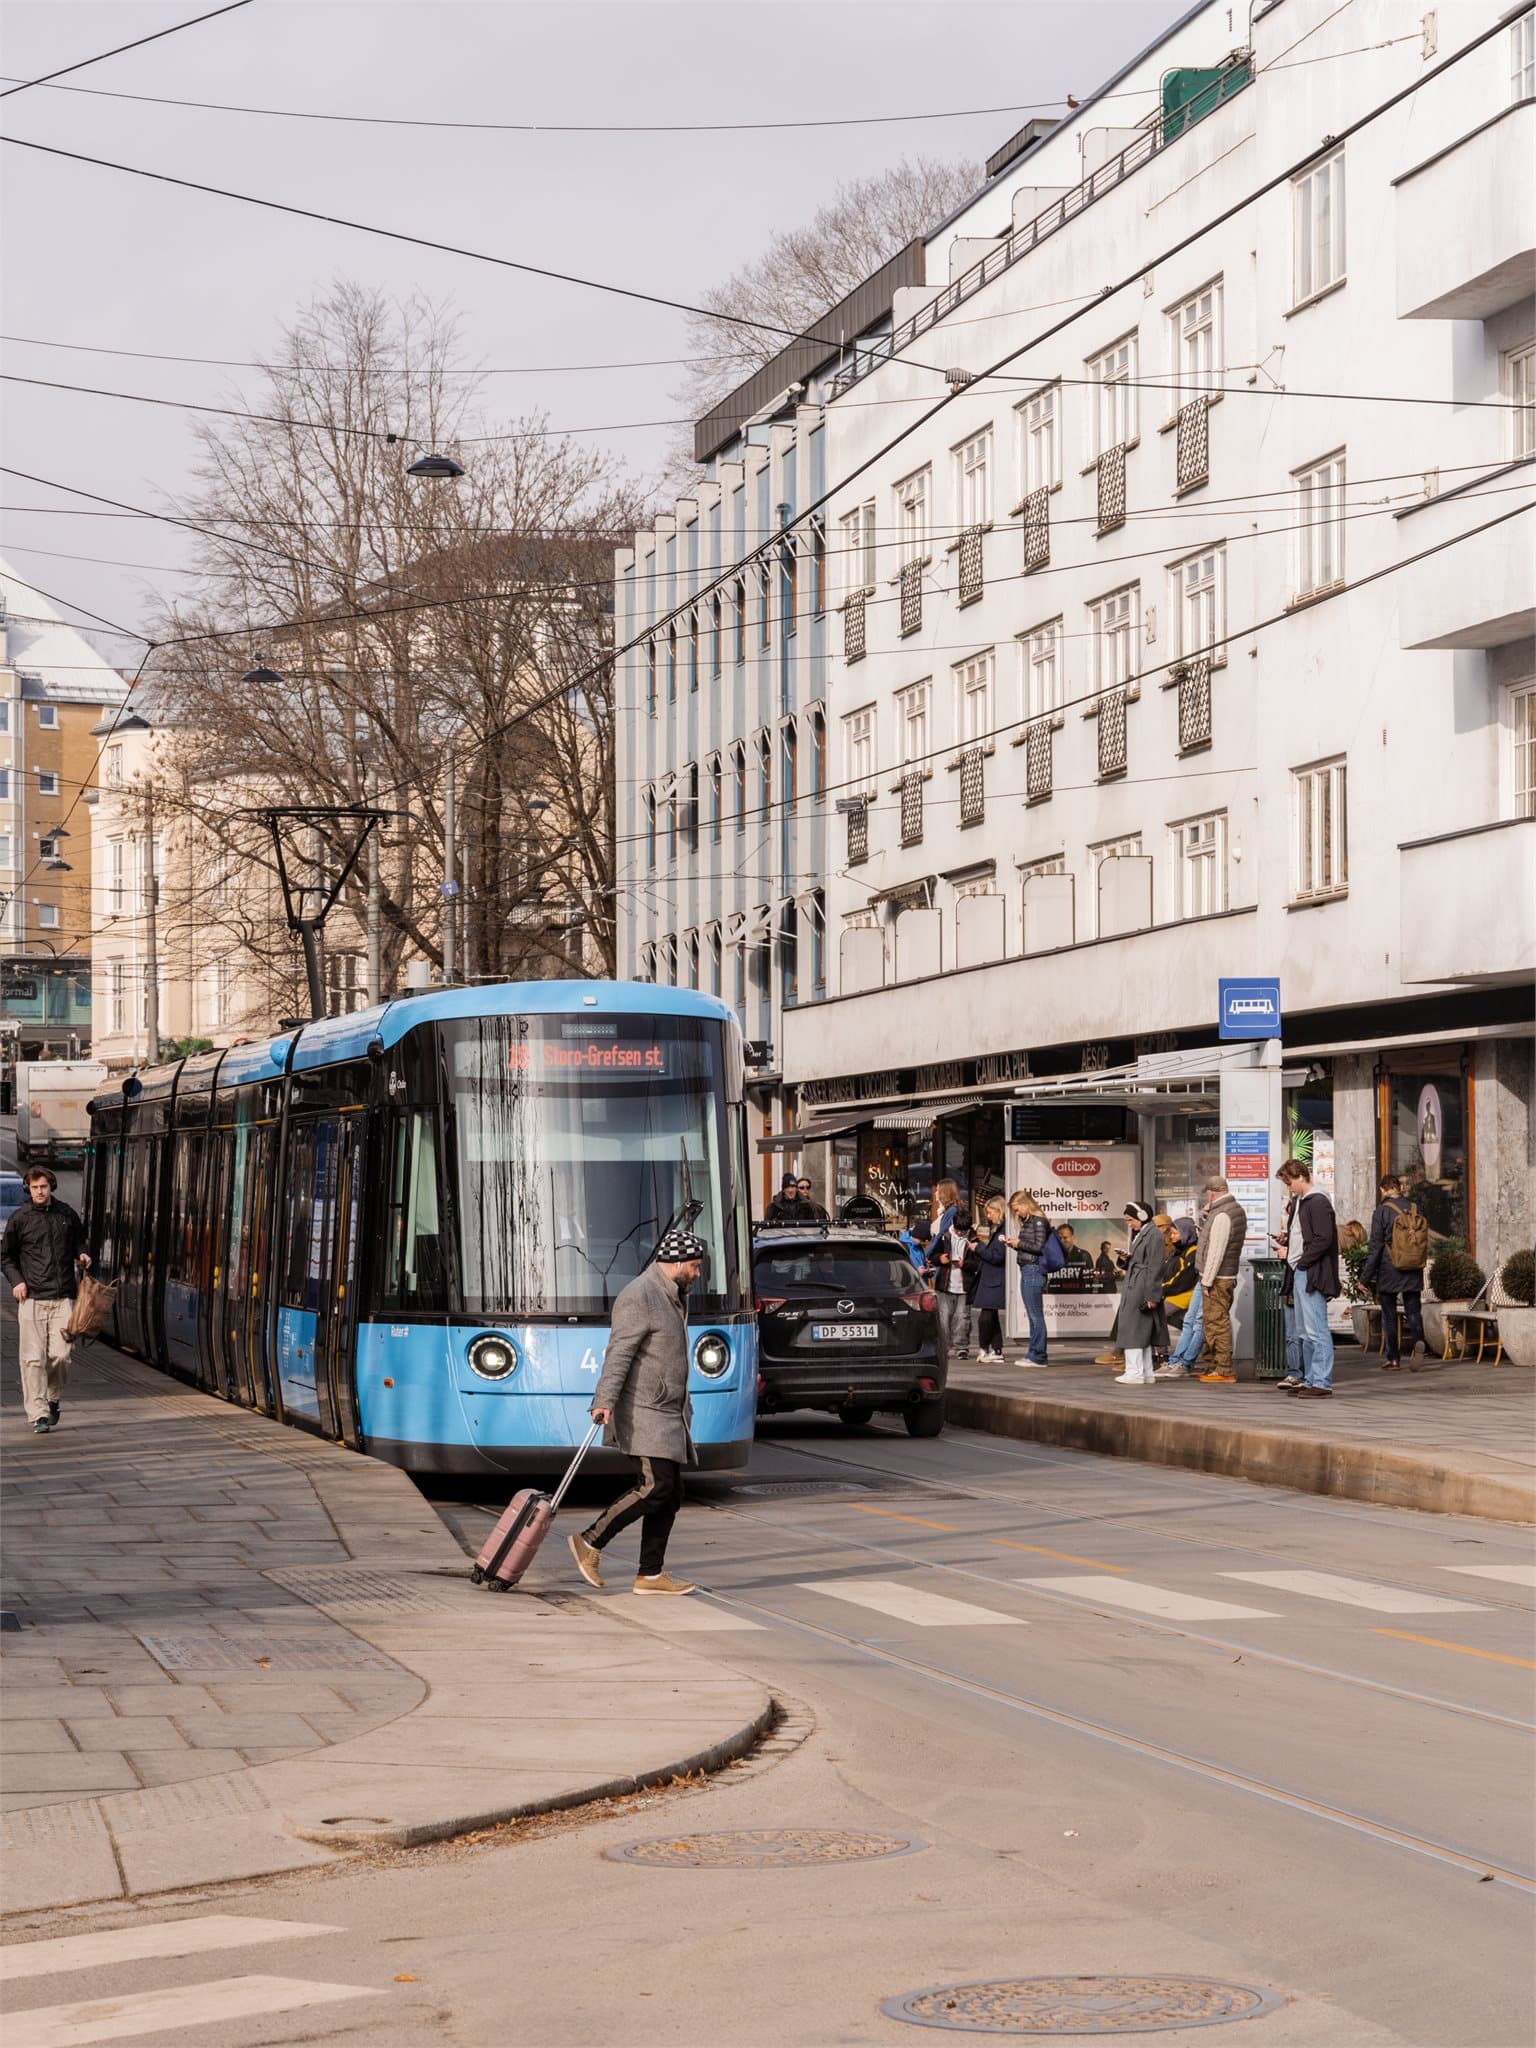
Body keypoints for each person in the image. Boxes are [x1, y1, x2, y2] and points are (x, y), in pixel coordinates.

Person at [568, 1230, 708, 1596]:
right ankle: (590, 1541)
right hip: (644, 1411)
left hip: (667, 1412)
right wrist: (604, 1400)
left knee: (670, 1491)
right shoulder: (640, 1295)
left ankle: (650, 1574)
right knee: (655, 1486)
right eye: (694, 1266)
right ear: (675, 1263)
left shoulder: (673, 1294)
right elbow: (619, 1353)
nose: (696, 1273)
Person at [2, 1167, 91, 1436]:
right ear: (28, 1189)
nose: (39, 1191)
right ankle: (38, 1413)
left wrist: (84, 1254)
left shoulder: (66, 1215)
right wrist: (17, 1281)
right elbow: (5, 1257)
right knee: (32, 1360)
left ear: (50, 1186)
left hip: (63, 1297)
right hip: (31, 1299)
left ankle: (53, 1398)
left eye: (43, 1186)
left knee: (61, 1356)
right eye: (34, 1187)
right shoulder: (20, 1219)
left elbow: (80, 1242)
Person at [1274, 1158, 1339, 1397]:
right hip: (1301, 1269)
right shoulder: (1301, 1200)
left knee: (1316, 1329)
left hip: (1310, 1271)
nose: (1288, 1187)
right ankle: (1312, 1378)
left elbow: (1324, 1238)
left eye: (1289, 1182)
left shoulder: (1317, 1201)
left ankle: (1321, 1381)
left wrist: (1302, 1260)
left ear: (1300, 1176)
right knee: (1305, 1330)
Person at [1361, 1173, 1429, 1372]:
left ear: (1383, 1190)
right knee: (1413, 1312)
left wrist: (1365, 1278)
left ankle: (1393, 1359)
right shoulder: (1417, 1208)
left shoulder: (1382, 1211)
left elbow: (1375, 1247)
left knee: (1389, 1315)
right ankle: (1418, 1342)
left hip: (1389, 1268)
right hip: (1413, 1266)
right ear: (1399, 1188)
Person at [1194, 1176, 1248, 1383]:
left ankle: (1223, 1369)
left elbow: (1216, 1251)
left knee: (1217, 1323)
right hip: (1223, 1275)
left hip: (1218, 1278)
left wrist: (1207, 1281)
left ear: (1211, 1193)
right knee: (1215, 1321)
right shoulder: (1231, 1210)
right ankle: (1215, 1366)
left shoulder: (1223, 1215)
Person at [1114, 1204, 1167, 1386]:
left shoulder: (1154, 1235)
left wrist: (1152, 1295)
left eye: (1130, 1220)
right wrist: (1125, 1259)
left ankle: (1134, 1372)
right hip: (1138, 1283)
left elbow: (1155, 1267)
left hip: (1141, 1286)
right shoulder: (1145, 1234)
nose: (1129, 1224)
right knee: (1141, 1330)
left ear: (1142, 1216)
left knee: (1133, 1329)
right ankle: (1145, 1372)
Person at [1003, 1190, 1051, 1368]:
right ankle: (1033, 1353)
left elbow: (1039, 1246)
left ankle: (1038, 1355)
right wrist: (1015, 1245)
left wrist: (1018, 1243)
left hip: (1033, 1269)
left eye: (1017, 1209)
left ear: (1025, 1204)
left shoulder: (1038, 1221)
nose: (1017, 1213)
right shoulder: (1030, 1222)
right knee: (1033, 1315)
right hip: (1027, 1268)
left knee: (1035, 1315)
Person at [1155, 1219, 1203, 1378]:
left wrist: (1163, 1289)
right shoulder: (1177, 1250)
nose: (1172, 1236)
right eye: (1172, 1233)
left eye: (1176, 1233)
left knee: (1159, 1314)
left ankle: (1165, 1357)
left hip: (1183, 1294)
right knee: (1187, 1324)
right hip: (1175, 1293)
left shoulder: (1192, 1251)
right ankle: (1174, 1359)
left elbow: (1184, 1278)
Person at [971, 1196, 1010, 1365]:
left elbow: (997, 1257)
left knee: (985, 1317)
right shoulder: (998, 1229)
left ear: (998, 1210)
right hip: (991, 1277)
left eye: (990, 1212)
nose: (988, 1216)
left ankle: (984, 1348)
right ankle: (997, 1349)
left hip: (994, 1278)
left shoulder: (1002, 1231)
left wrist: (978, 1248)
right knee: (991, 1315)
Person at [932, 1204, 974, 1361]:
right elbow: (932, 1256)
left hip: (965, 1285)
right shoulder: (944, 1236)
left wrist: (966, 1264)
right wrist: (940, 1259)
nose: (961, 1233)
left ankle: (961, 1347)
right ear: (954, 1226)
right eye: (958, 1230)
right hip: (945, 1284)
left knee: (963, 1317)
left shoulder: (973, 1239)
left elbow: (978, 1263)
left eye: (964, 1231)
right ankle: (943, 1346)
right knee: (943, 1317)